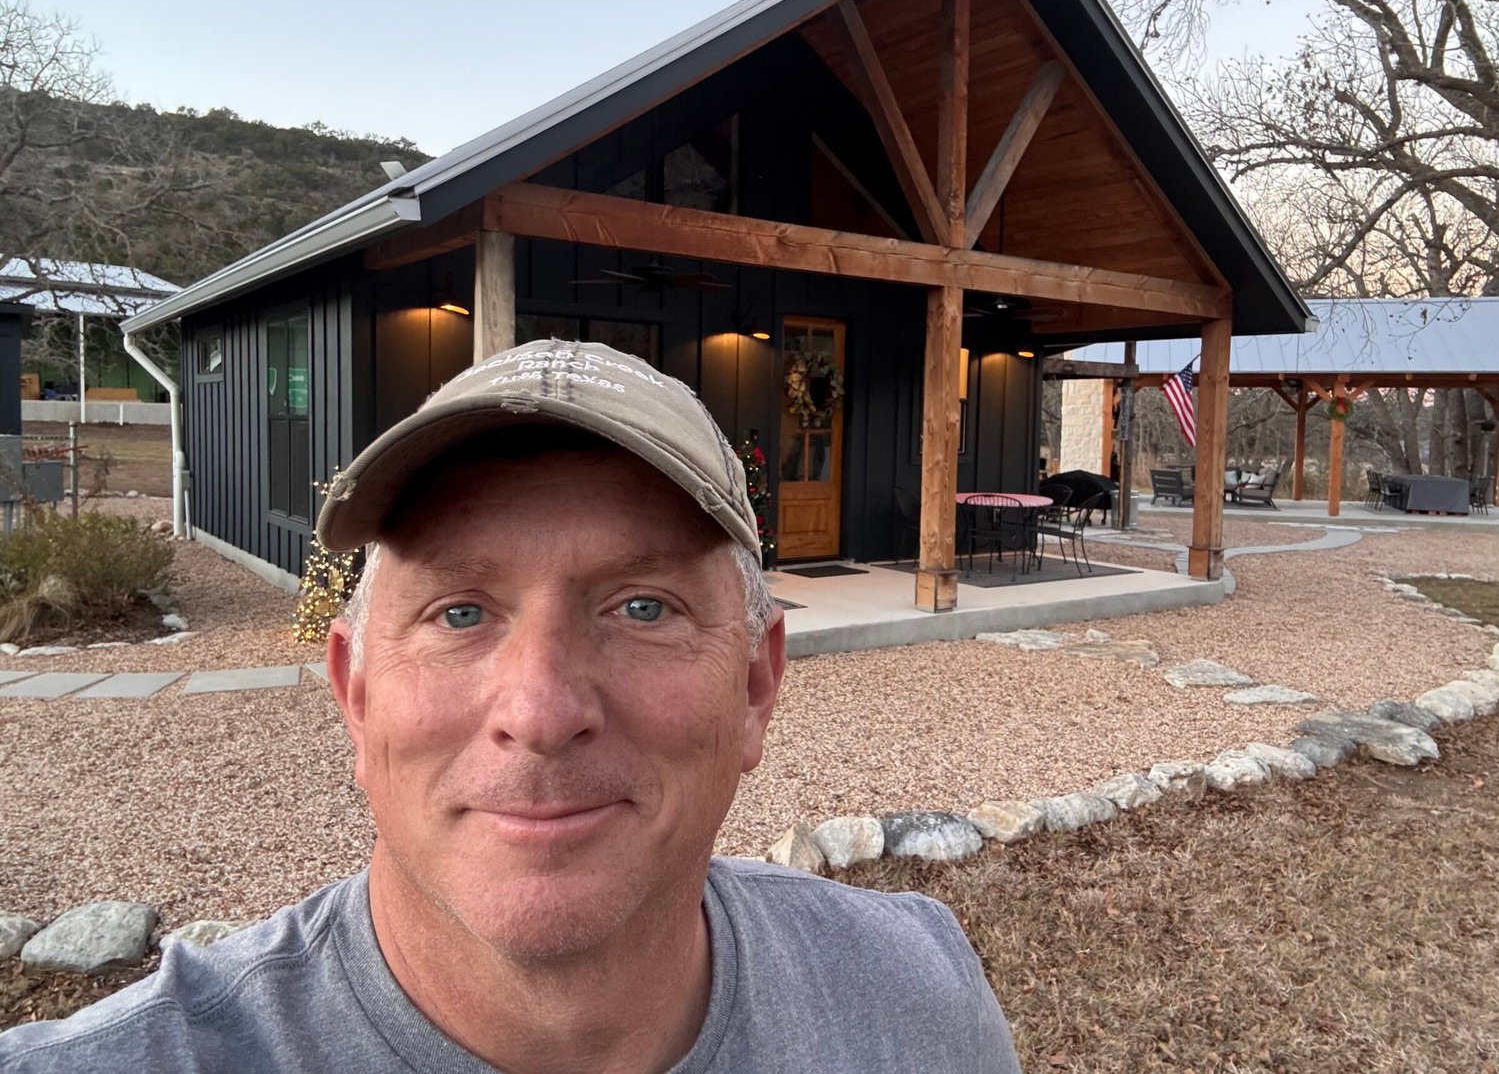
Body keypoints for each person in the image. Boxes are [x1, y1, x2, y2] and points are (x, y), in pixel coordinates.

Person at [2, 337, 1021, 1073]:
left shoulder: (915, 1002)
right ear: (355, 695)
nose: (538, 710)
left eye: (642, 605)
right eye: (457, 613)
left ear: (756, 685)